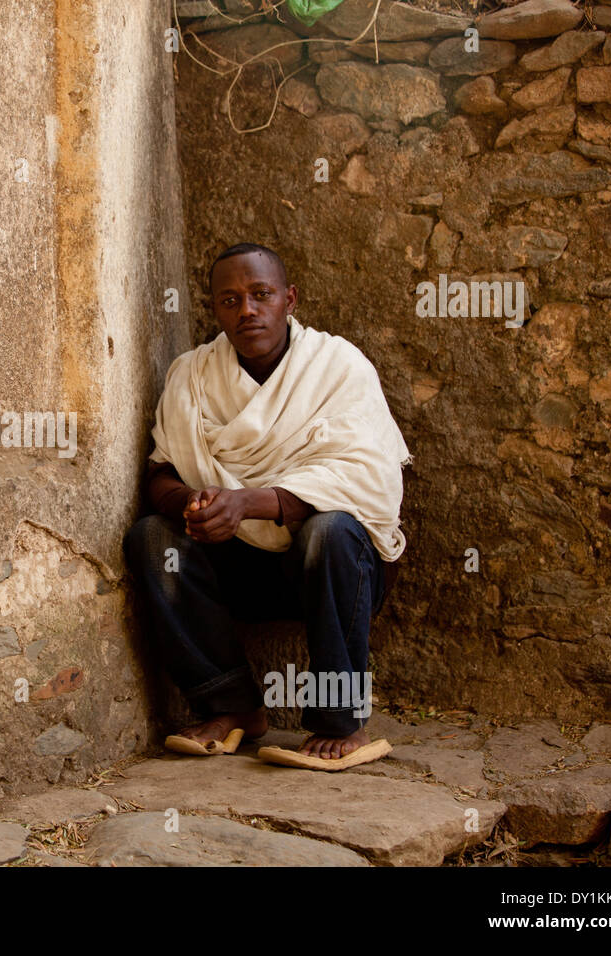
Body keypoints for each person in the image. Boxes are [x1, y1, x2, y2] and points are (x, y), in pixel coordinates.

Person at [124, 242, 411, 762]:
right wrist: (199, 502)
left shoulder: (338, 367)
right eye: (229, 300)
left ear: (289, 299)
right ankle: (231, 706)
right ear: (215, 309)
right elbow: (159, 474)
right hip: (241, 573)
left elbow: (369, 479)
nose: (247, 310)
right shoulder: (192, 374)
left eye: (261, 295)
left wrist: (247, 502)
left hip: (332, 574)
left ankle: (343, 724)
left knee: (332, 529)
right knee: (151, 537)